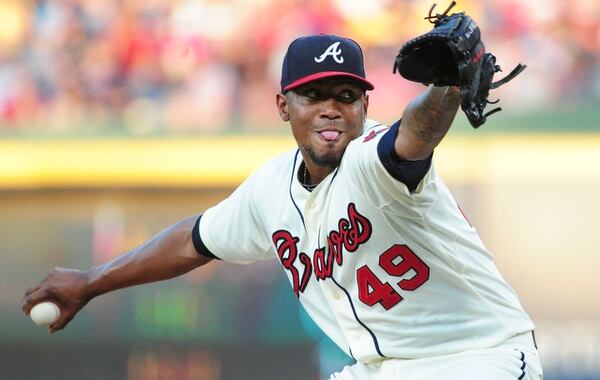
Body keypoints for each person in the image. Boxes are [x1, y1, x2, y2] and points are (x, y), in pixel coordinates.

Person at [22, 33, 543, 380]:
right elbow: (192, 241)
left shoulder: (372, 160)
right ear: (282, 106)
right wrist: (91, 281)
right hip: (384, 368)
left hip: (478, 357)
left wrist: (447, 88)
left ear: (365, 104)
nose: (331, 108)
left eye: (345, 94)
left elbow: (416, 133)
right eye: (313, 95)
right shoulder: (270, 190)